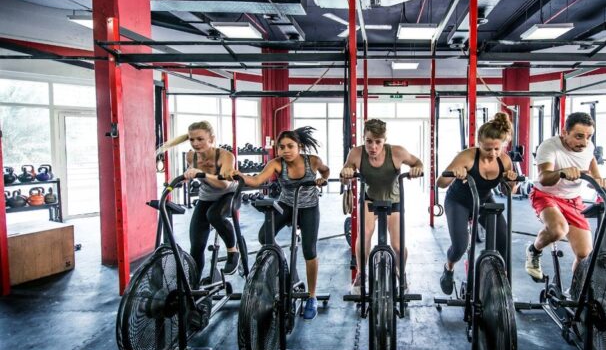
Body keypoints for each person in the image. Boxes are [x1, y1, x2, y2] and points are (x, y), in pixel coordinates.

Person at [233, 127, 330, 320]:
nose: (286, 150)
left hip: (309, 207)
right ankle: (283, 262)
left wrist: (322, 179)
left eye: (290, 146)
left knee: (309, 251)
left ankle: (311, 297)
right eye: (281, 147)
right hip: (286, 205)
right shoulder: (277, 164)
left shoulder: (313, 161)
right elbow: (257, 180)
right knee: (264, 237)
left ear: (299, 146)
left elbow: (326, 171)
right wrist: (240, 176)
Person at [436, 112, 519, 295]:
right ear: (478, 143)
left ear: (503, 145)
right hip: (459, 201)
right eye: (487, 149)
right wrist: (455, 173)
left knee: (503, 241)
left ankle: (499, 283)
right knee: (460, 246)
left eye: (497, 148)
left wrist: (512, 183)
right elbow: (440, 183)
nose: (492, 153)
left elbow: (508, 192)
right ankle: (448, 268)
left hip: (483, 201)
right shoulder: (466, 156)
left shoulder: (505, 161)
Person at [340, 119, 424, 295]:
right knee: (364, 237)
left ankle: (401, 271)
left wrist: (417, 169)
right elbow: (345, 178)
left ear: (385, 140)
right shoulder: (356, 153)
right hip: (369, 199)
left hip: (393, 201)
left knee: (398, 245)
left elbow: (418, 163)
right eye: (369, 141)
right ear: (364, 138)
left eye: (378, 142)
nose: (373, 147)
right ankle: (362, 274)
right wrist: (346, 173)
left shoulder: (397, 152)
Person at [525, 112, 606, 283]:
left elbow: (590, 157)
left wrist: (597, 177)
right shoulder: (549, 147)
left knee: (584, 254)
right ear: (564, 132)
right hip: (546, 195)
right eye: (579, 136)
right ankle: (534, 251)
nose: (584, 142)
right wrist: (561, 172)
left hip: (572, 199)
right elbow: (544, 177)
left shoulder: (588, 146)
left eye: (588, 136)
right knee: (558, 230)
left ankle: (575, 291)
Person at [156, 120, 239, 284]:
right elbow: (193, 174)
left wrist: (201, 174)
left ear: (212, 138)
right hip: (206, 198)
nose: (195, 143)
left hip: (228, 195)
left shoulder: (225, 156)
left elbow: (224, 184)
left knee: (214, 215)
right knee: (196, 245)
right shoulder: (190, 156)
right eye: (192, 139)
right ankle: (193, 289)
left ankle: (233, 251)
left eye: (200, 139)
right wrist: (187, 176)